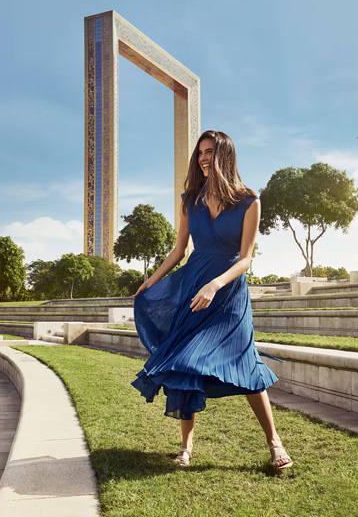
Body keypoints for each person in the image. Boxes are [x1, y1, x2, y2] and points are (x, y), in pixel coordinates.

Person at [131, 130, 292, 471]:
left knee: (245, 363)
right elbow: (179, 250)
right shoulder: (190, 200)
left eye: (209, 153)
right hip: (193, 289)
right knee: (185, 363)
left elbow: (246, 258)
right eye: (200, 153)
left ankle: (274, 442)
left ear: (225, 157)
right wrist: (151, 281)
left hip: (229, 293)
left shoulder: (250, 201)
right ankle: (186, 446)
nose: (203, 158)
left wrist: (215, 285)